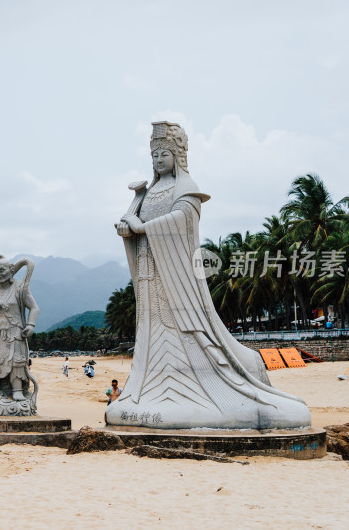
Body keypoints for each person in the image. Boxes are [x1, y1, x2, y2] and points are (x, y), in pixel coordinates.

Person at [108, 121, 310, 429]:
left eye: (164, 154)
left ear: (177, 156)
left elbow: (184, 218)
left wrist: (144, 228)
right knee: (152, 329)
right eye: (154, 156)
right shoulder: (147, 194)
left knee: (185, 334)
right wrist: (129, 228)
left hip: (178, 280)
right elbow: (134, 221)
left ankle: (199, 386)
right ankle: (149, 388)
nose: (158, 160)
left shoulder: (184, 187)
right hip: (151, 273)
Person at [0, 255, 39, 402]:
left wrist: (30, 325)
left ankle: (17, 390)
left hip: (14, 330)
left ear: (11, 270)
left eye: (1, 270)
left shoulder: (19, 288)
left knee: (16, 359)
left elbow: (34, 307)